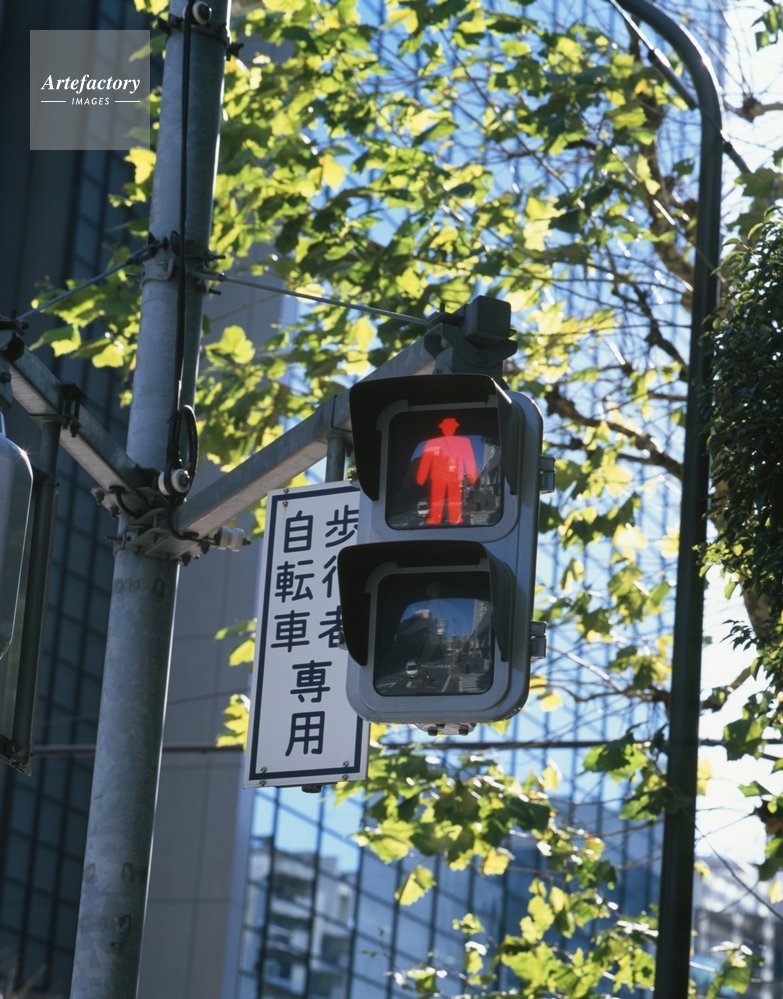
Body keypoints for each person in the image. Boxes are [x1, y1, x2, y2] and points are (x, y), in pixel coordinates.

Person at [415, 416, 477, 525]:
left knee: (454, 498)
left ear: (455, 428)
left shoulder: (464, 442)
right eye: (447, 427)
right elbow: (426, 460)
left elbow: (469, 459)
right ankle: (436, 517)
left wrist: (472, 474)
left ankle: (454, 517)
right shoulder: (432, 443)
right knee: (437, 498)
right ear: (442, 428)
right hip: (439, 475)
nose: (448, 429)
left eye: (451, 427)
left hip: (455, 476)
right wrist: (421, 476)